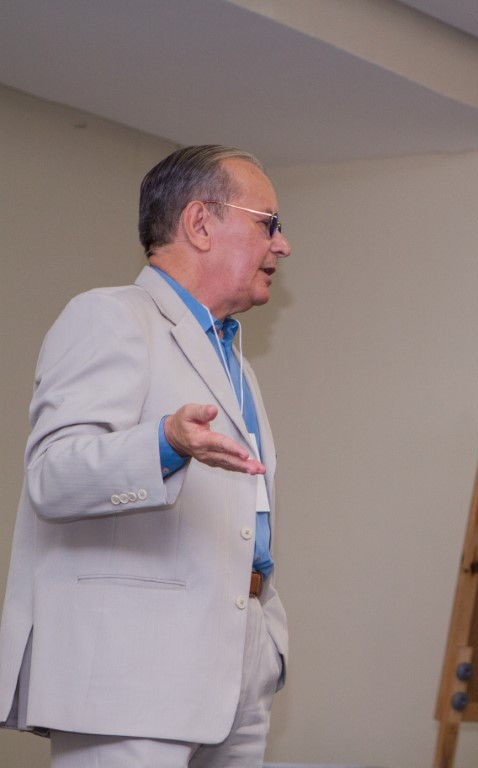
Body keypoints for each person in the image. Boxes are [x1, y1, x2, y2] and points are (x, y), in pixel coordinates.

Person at [0, 145, 292, 767]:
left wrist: (266, 641)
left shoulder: (235, 360)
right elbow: (52, 475)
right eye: (269, 223)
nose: (283, 245)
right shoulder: (109, 316)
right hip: (131, 672)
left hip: (239, 663)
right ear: (200, 223)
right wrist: (164, 442)